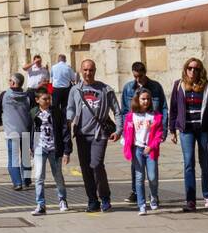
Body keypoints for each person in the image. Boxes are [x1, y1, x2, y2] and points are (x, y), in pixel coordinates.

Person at [66, 58, 119, 213]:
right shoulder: (75, 90)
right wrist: (69, 120)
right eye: (85, 70)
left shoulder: (105, 89)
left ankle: (105, 197)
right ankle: (92, 200)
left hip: (99, 134)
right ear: (81, 71)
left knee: (96, 165)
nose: (88, 73)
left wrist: (119, 130)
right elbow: (70, 108)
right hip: (81, 134)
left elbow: (117, 111)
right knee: (85, 169)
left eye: (91, 70)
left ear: (95, 71)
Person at [170, 57, 208, 212]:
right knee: (189, 163)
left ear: (200, 71)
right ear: (185, 69)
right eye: (190, 68)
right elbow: (174, 109)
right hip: (186, 130)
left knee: (205, 163)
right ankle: (190, 200)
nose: (192, 71)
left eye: (196, 69)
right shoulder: (179, 85)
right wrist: (172, 130)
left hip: (203, 129)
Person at [120, 62, 166, 204]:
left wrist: (163, 130)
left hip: (151, 132)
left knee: (151, 171)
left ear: (145, 73)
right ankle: (136, 193)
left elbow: (163, 108)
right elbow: (125, 112)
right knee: (136, 167)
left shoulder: (156, 87)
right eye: (135, 76)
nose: (138, 79)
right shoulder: (128, 88)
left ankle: (153, 194)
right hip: (135, 132)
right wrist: (124, 132)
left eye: (140, 76)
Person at [124, 89, 164, 214]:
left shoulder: (155, 116)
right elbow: (127, 132)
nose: (146, 101)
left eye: (148, 99)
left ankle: (153, 196)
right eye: (143, 99)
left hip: (150, 150)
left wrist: (151, 146)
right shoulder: (131, 116)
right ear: (137, 100)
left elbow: (159, 134)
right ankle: (141, 205)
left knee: (152, 177)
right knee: (139, 177)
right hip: (137, 149)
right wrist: (127, 146)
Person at [30, 88, 70, 215]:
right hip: (39, 148)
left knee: (58, 176)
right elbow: (28, 131)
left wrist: (67, 151)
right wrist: (28, 148)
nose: (48, 101)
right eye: (44, 99)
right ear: (37, 100)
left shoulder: (56, 112)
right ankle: (40, 204)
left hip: (54, 148)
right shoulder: (33, 113)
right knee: (39, 177)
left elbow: (65, 131)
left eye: (49, 98)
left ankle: (62, 200)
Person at [0, 72, 34, 190]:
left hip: (12, 132)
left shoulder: (4, 95)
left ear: (13, 82)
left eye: (10, 80)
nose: (9, 81)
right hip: (25, 130)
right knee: (26, 157)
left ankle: (17, 183)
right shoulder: (27, 96)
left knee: (13, 158)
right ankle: (26, 180)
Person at [49, 53, 75, 119]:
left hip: (56, 89)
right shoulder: (68, 68)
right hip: (66, 90)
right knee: (65, 107)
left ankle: (56, 123)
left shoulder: (53, 67)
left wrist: (50, 90)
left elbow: (51, 78)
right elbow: (73, 79)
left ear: (58, 60)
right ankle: (65, 123)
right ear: (65, 60)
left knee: (55, 107)